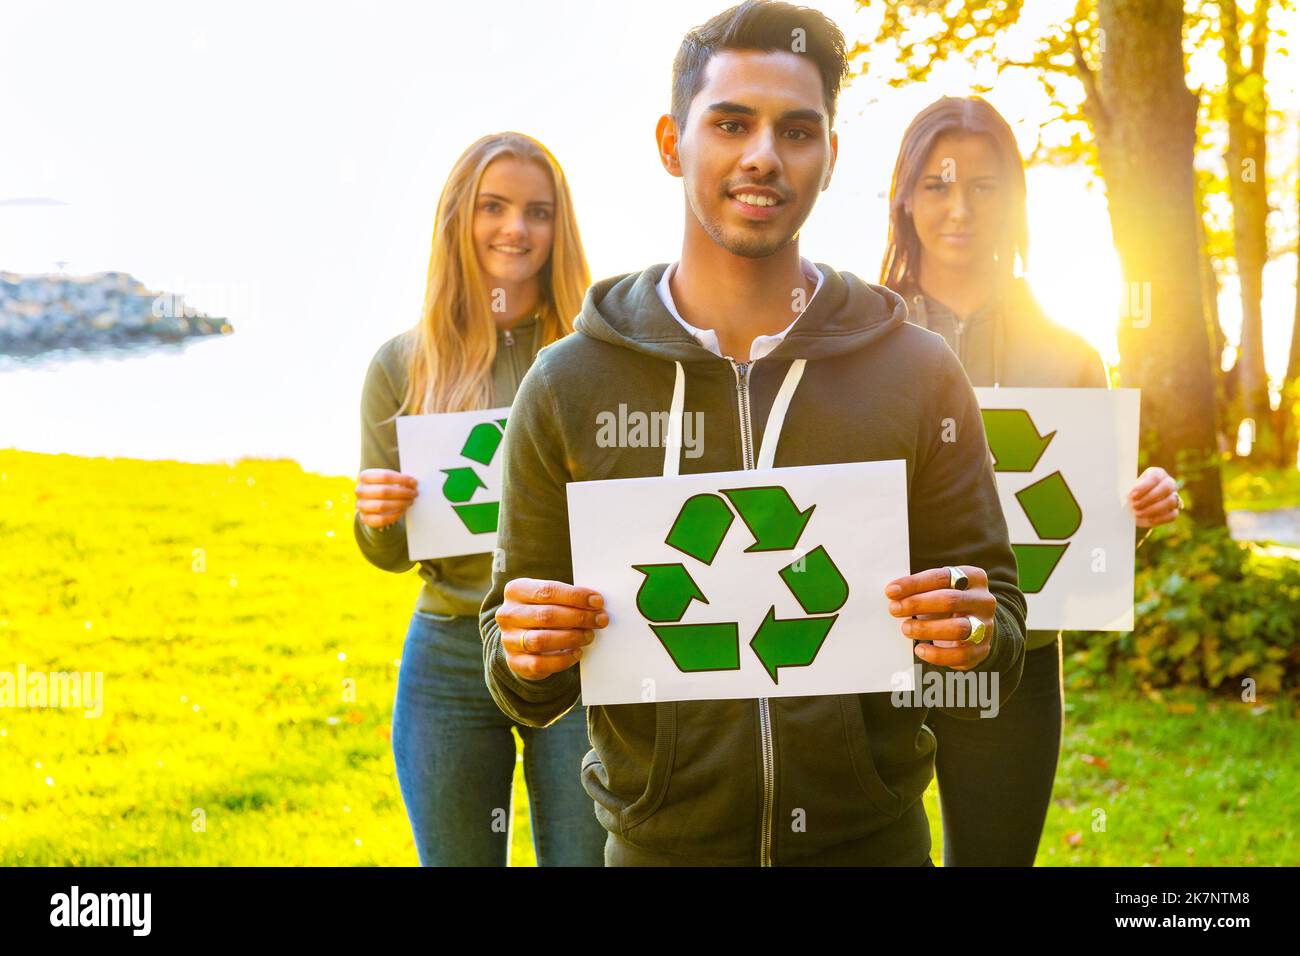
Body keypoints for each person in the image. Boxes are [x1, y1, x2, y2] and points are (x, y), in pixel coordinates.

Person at [480, 1, 1027, 867]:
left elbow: (1000, 620)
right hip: (657, 850)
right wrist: (526, 650)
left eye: (798, 130)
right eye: (731, 123)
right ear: (672, 143)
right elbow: (516, 679)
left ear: (831, 157)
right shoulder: (568, 384)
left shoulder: (919, 372)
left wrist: (975, 628)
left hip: (873, 846)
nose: (764, 155)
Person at [880, 95, 1183, 866]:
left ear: (1015, 201)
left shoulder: (1071, 355)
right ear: (906, 197)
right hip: (868, 653)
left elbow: (1086, 532)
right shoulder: (853, 338)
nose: (960, 208)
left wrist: (1134, 510)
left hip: (1010, 666)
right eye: (940, 184)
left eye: (984, 186)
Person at [353, 131, 605, 866]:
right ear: (458, 219)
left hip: (573, 648)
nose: (515, 229)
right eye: (493, 207)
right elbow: (391, 555)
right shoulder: (403, 364)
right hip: (448, 654)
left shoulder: (594, 356)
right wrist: (377, 519)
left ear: (561, 227)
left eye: (538, 210)